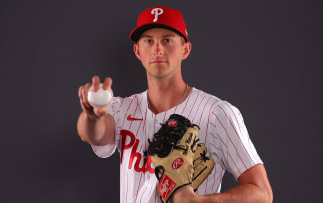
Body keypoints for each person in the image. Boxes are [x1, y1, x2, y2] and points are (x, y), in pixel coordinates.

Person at [77, 5, 273, 203]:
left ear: (185, 49)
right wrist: (92, 116)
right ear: (137, 51)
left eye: (167, 40)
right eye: (149, 41)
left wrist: (199, 202)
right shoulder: (123, 108)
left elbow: (262, 194)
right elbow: (93, 134)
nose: (158, 49)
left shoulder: (216, 114)